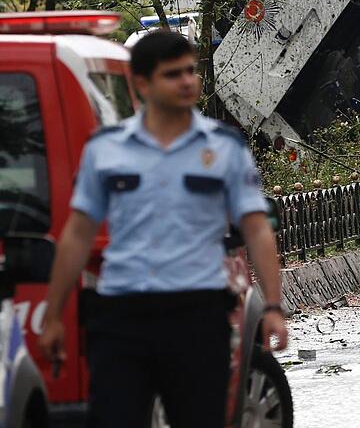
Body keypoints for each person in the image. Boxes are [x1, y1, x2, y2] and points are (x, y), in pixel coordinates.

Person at [38, 31, 288, 428]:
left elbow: (257, 229)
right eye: (173, 74)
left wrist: (273, 306)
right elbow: (77, 234)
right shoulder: (106, 150)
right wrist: (53, 315)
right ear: (142, 84)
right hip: (122, 319)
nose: (188, 81)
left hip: (197, 317)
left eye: (191, 71)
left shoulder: (224, 148)